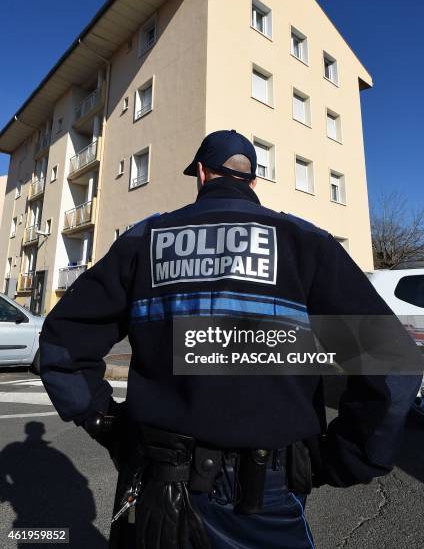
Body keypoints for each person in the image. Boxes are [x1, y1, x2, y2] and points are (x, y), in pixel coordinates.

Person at [39, 130, 421, 549]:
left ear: (201, 174)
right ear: (253, 181)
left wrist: (107, 424)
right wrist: (344, 458)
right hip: (266, 494)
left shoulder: (144, 240)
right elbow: (391, 364)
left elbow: (61, 346)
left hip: (157, 482)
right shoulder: (305, 243)